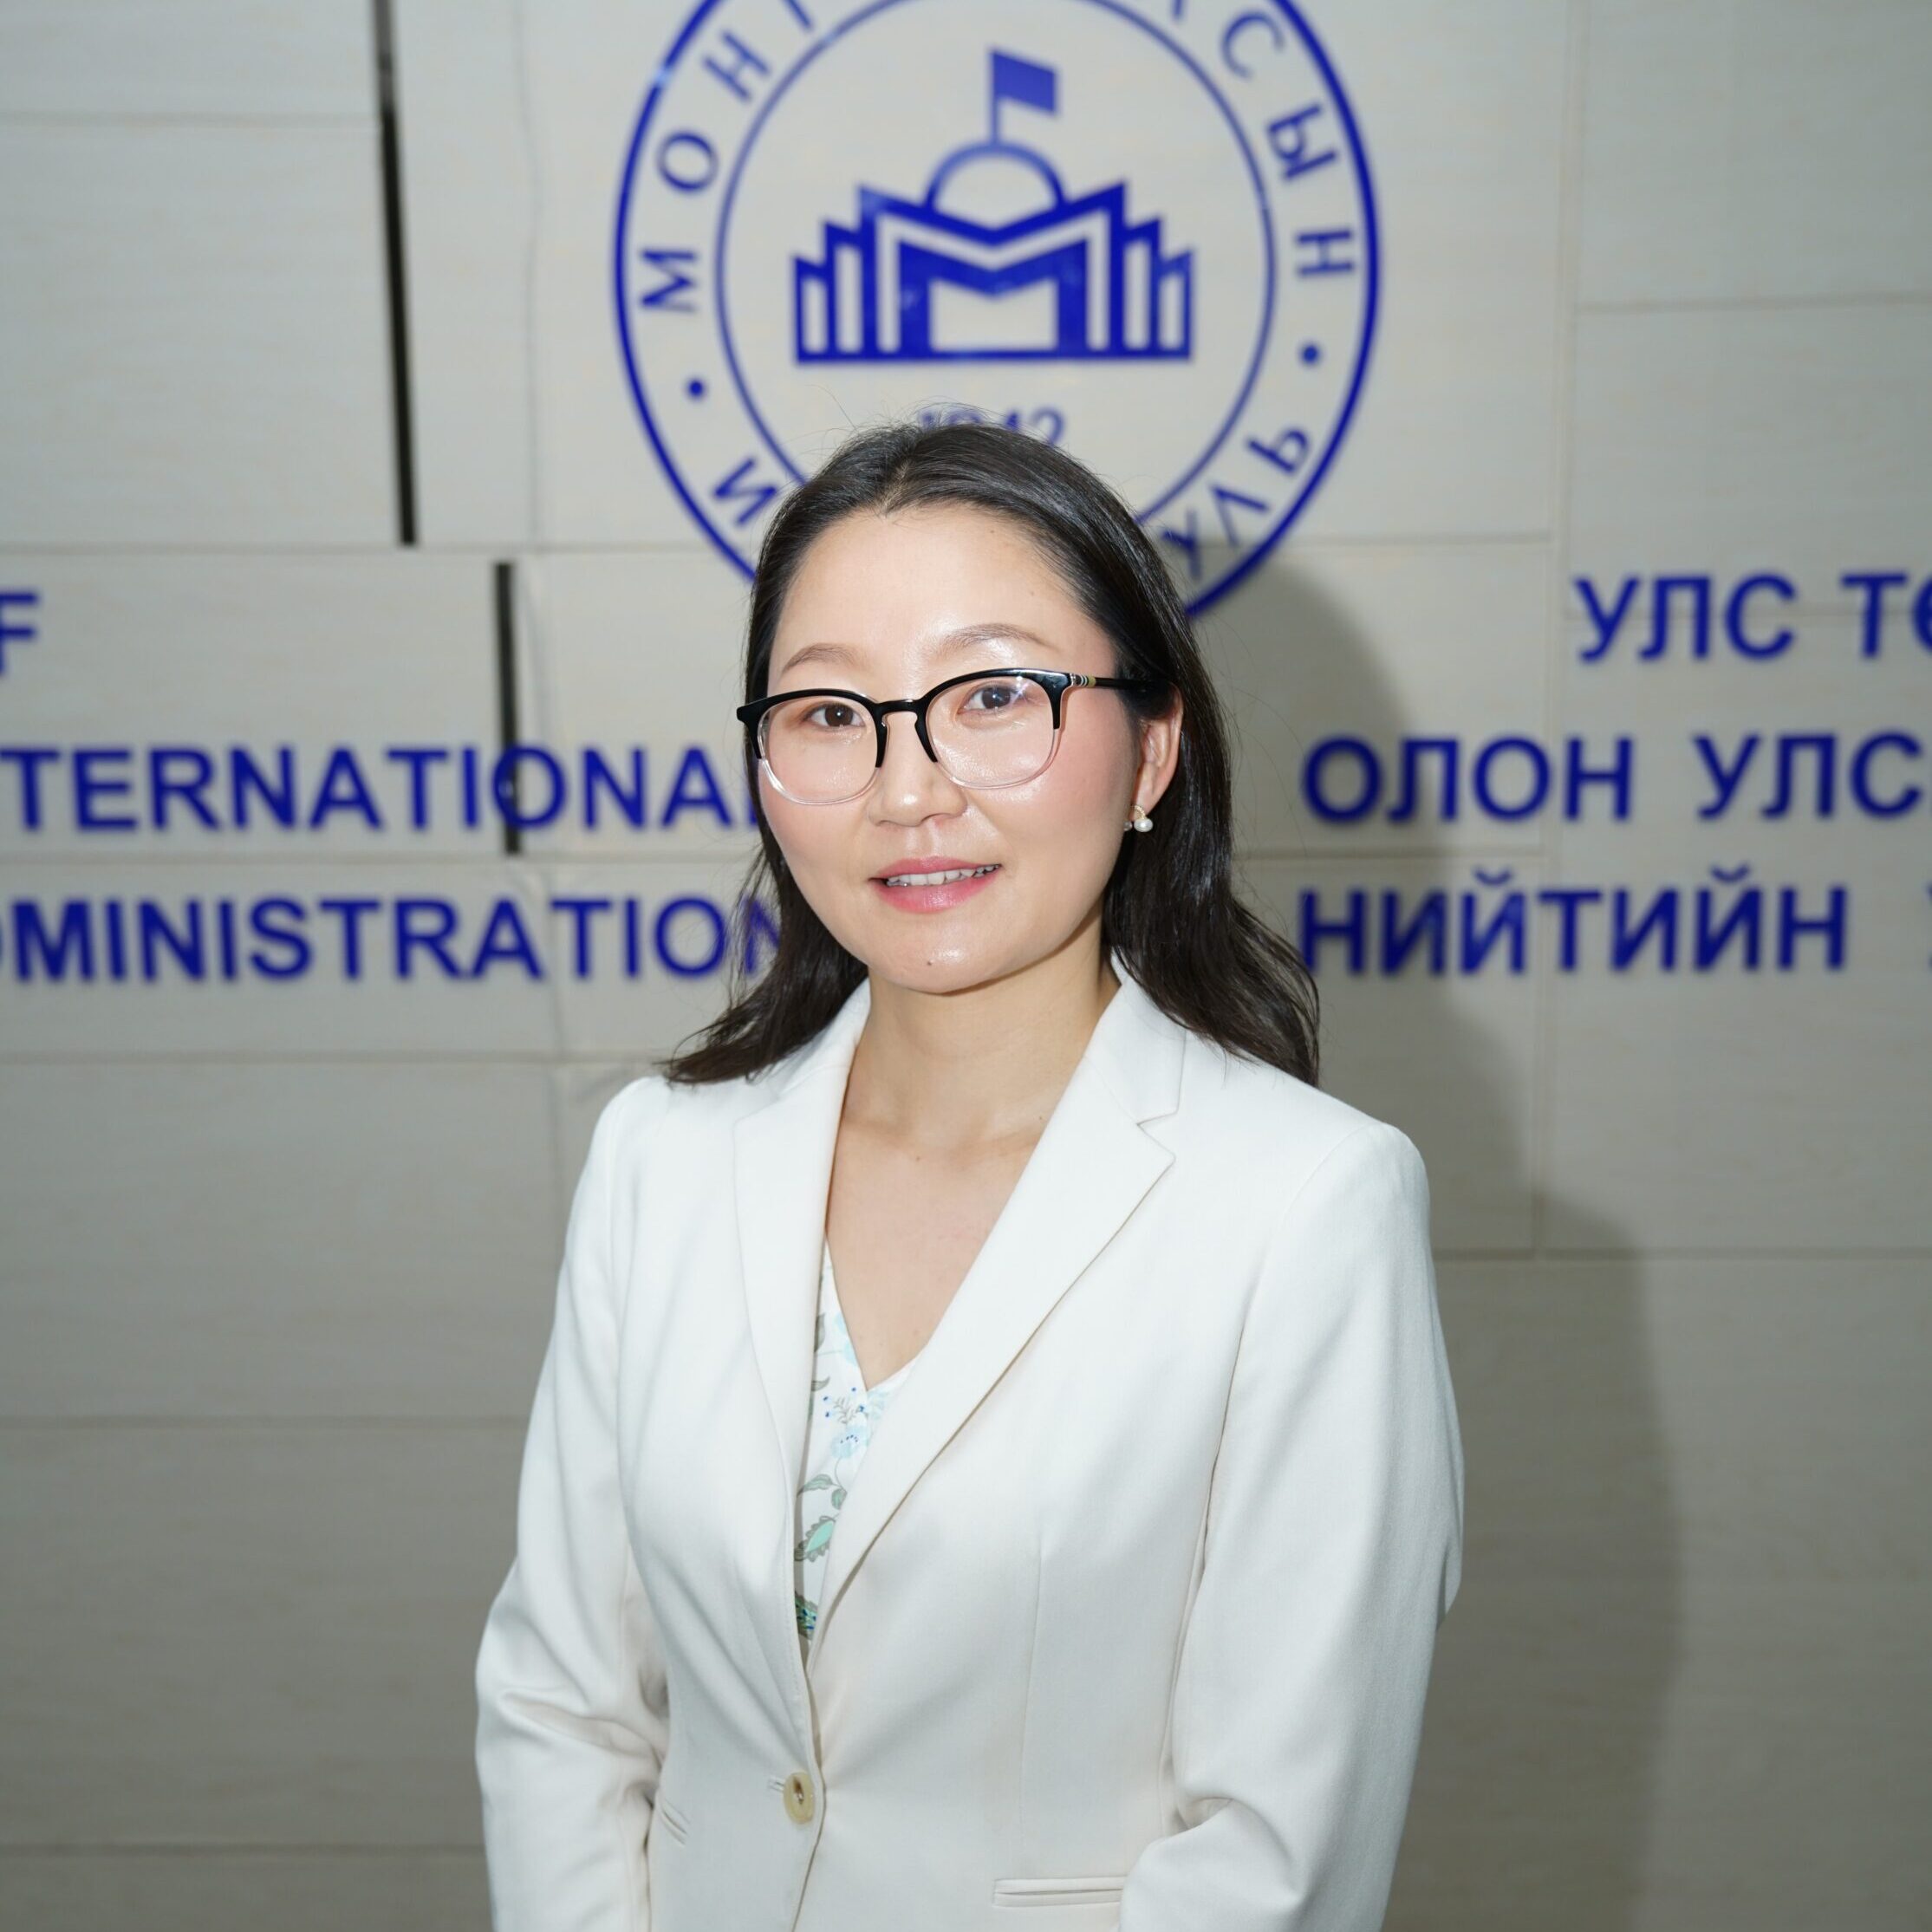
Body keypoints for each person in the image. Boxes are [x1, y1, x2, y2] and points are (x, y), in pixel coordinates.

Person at [474, 420, 1465, 1930]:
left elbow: (1279, 1848)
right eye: (827, 712)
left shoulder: (1305, 1208)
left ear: (1151, 746)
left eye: (993, 694)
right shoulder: (658, 1159)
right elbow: (564, 1703)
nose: (906, 786)